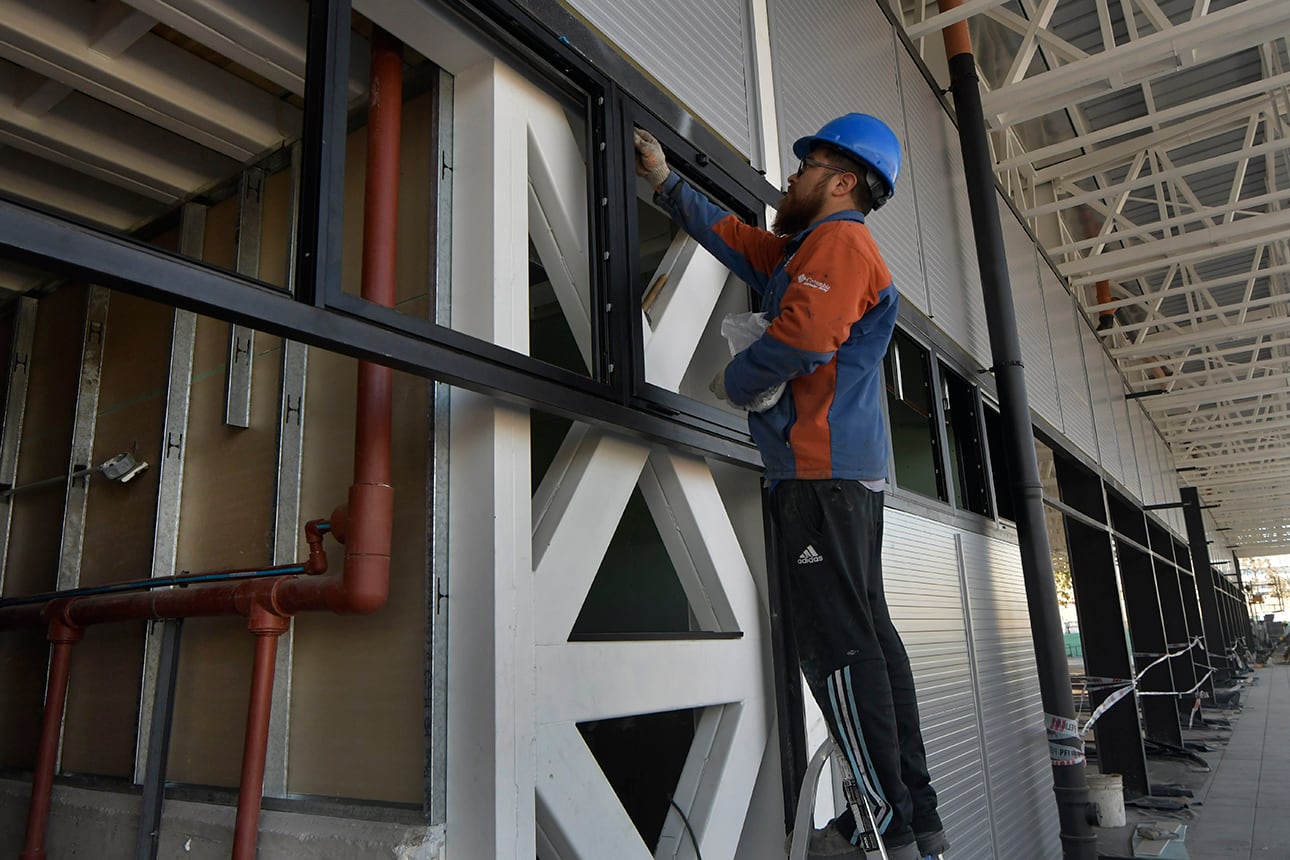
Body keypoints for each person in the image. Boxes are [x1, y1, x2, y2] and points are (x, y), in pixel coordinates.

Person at [634, 116, 948, 860]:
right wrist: (667, 185)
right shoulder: (810, 247)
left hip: (818, 476)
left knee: (837, 648)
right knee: (869, 638)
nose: (790, 180)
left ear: (842, 181)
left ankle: (881, 820)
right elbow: (746, 245)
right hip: (839, 479)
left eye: (805, 168)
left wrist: (739, 381)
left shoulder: (841, 243)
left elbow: (806, 338)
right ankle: (912, 813)